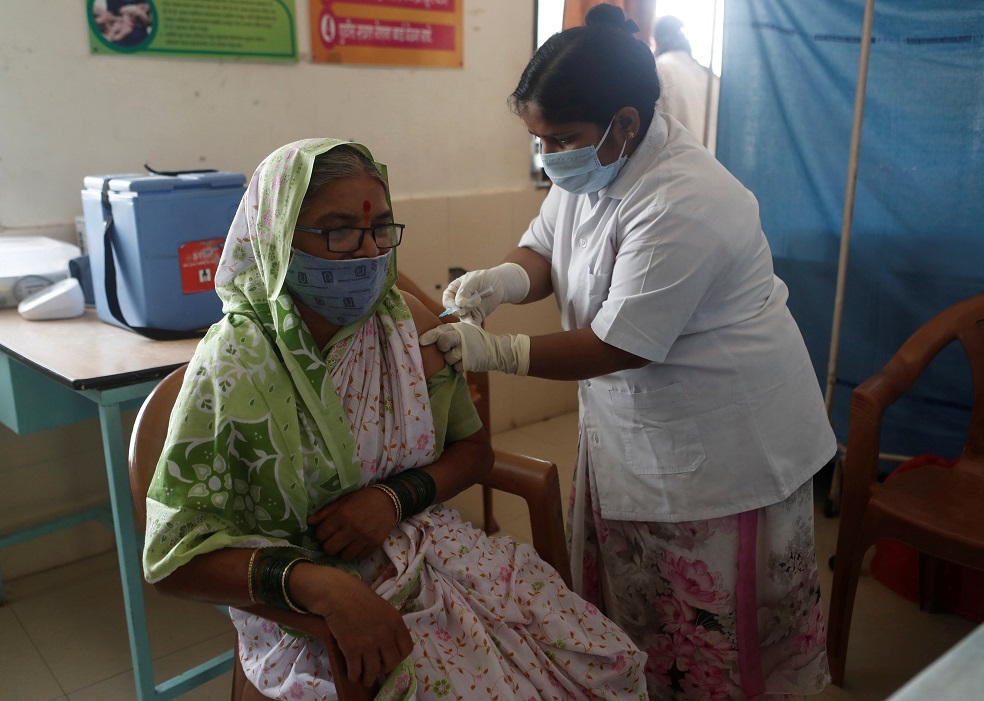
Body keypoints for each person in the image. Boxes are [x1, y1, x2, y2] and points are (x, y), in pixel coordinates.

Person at [419, 5, 836, 699]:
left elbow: (620, 343)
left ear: (626, 123)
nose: (550, 156)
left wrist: (493, 351)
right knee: (639, 607)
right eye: (539, 140)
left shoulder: (686, 198)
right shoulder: (591, 166)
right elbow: (546, 246)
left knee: (713, 632)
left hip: (724, 441)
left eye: (562, 139)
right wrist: (500, 280)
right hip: (635, 422)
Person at [141, 138, 648, 700]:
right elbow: (174, 559)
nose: (368, 253)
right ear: (279, 238)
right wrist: (318, 585)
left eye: (382, 228)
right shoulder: (236, 366)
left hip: (426, 544)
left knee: (604, 664)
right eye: (339, 231)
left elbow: (472, 452)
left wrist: (391, 501)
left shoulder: (403, 327)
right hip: (302, 596)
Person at [652, 15, 720, 153]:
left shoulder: (659, 68)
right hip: (718, 167)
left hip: (678, 166)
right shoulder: (712, 78)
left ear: (657, 40)